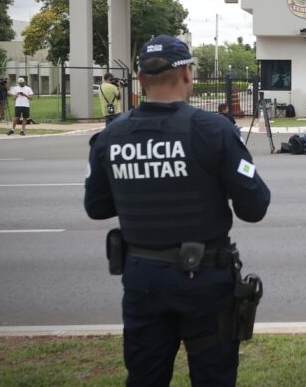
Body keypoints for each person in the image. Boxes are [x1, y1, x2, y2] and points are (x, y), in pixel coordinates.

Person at [84, 35, 271, 387]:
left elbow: (96, 207)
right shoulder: (214, 130)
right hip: (206, 281)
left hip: (142, 279)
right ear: (187, 74)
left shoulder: (111, 136)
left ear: (140, 80)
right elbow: (255, 206)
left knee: (145, 378)